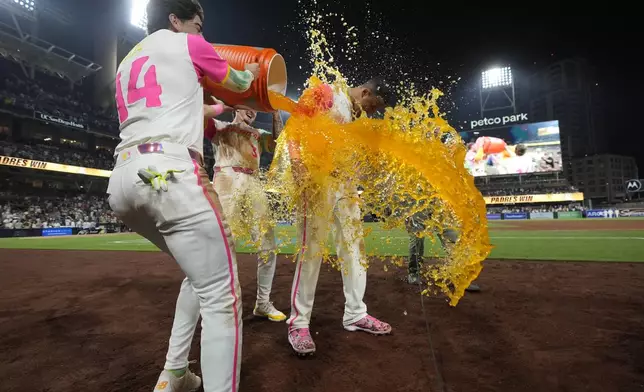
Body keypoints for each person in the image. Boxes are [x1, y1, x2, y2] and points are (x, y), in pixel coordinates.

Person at [107, 1, 259, 391]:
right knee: (222, 298)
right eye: (197, 23)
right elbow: (240, 83)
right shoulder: (188, 45)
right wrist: (254, 74)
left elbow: (186, 104)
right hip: (173, 173)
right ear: (176, 21)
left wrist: (219, 110)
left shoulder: (127, 61)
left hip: (123, 180)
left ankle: (174, 373)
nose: (201, 31)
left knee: (200, 274)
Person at [284, 79, 394, 356]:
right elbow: (296, 124)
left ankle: (356, 313)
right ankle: (299, 323)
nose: (370, 113)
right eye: (372, 106)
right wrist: (297, 161)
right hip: (317, 180)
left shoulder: (355, 116)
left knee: (355, 248)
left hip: (346, 185)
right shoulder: (326, 92)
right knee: (311, 251)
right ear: (366, 93)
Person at [208, 109, 286, 322]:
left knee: (268, 245)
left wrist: (275, 113)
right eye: (246, 105)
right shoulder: (220, 126)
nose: (251, 110)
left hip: (253, 182)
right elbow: (199, 117)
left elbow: (279, 143)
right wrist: (226, 100)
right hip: (226, 178)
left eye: (254, 106)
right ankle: (220, 303)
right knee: (223, 244)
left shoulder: (258, 133)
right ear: (237, 107)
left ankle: (262, 303)